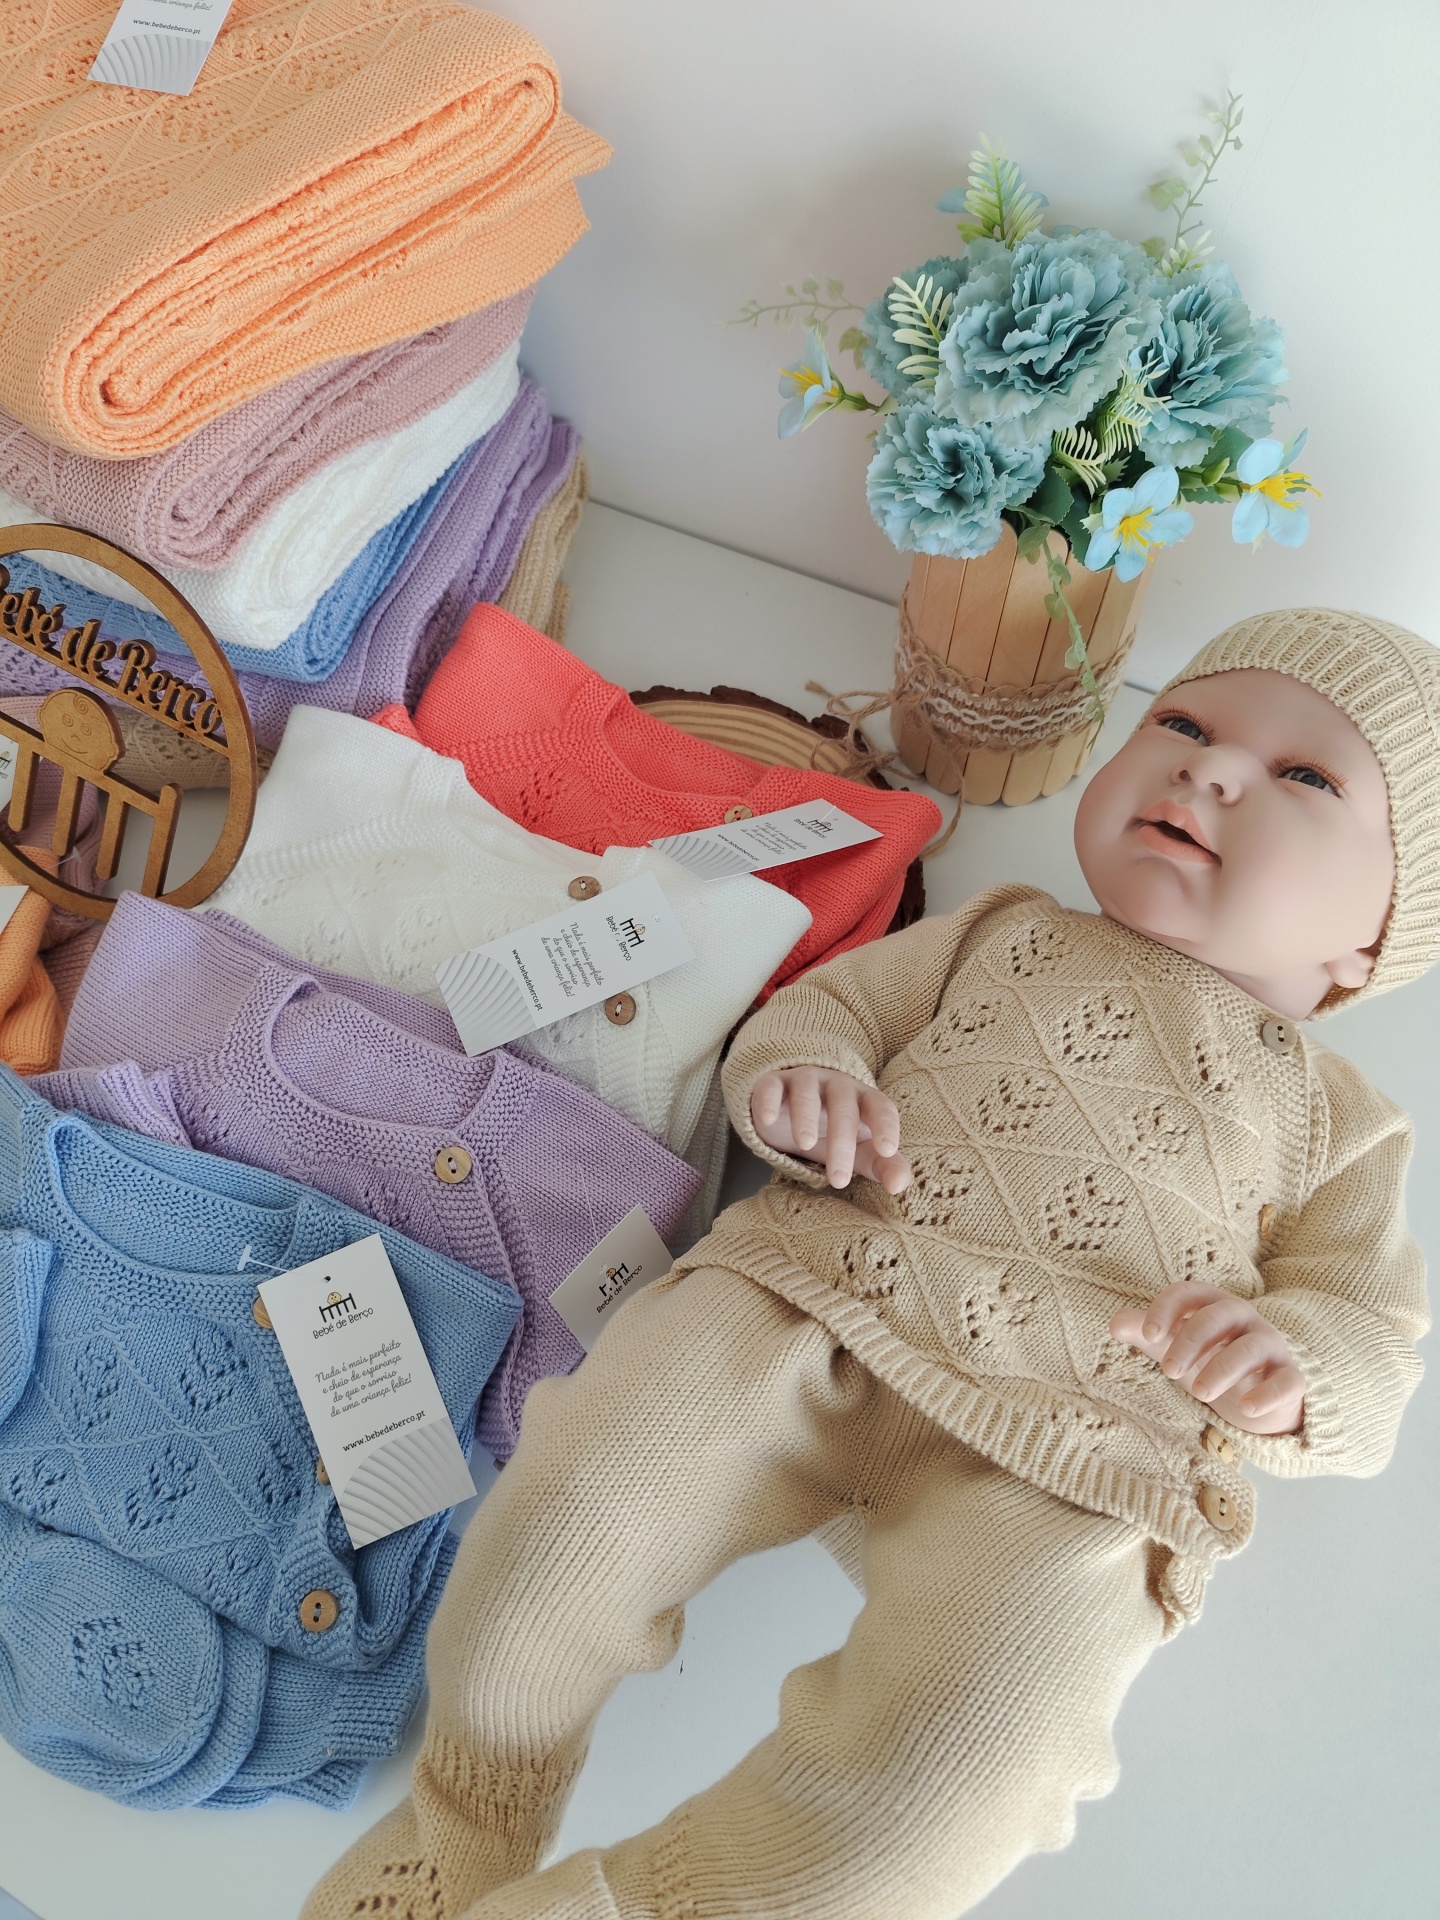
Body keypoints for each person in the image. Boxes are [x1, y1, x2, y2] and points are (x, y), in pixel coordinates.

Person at [304, 607, 1436, 1920]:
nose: (1209, 769)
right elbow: (822, 1012)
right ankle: (469, 1817)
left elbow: (1372, 1335)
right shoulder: (1000, 930)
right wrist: (804, 1080)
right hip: (813, 1301)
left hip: (1078, 1450)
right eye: (1180, 723)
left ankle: (637, 1907)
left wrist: (1294, 1371)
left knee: (970, 1769)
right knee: (563, 1524)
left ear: (1372, 942)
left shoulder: (1342, 1122)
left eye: (1304, 777)